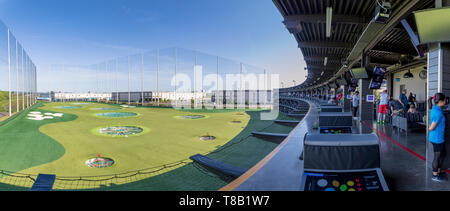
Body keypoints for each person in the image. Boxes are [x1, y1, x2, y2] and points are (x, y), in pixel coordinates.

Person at [428, 93, 447, 182]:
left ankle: (438, 171)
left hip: (438, 137)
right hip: (437, 138)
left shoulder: (436, 108)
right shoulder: (438, 112)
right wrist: (429, 127)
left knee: (441, 155)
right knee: (437, 157)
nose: (446, 101)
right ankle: (434, 175)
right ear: (440, 101)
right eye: (445, 100)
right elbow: (431, 127)